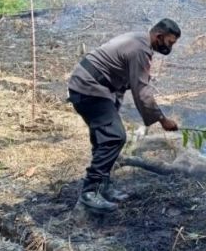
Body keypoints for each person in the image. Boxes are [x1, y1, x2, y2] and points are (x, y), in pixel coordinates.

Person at [67, 18, 181, 213]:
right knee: (115, 137)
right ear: (159, 36)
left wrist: (114, 107)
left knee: (104, 138)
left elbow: (121, 81)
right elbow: (141, 92)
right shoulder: (140, 50)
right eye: (169, 42)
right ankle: (90, 192)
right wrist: (162, 120)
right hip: (88, 88)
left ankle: (104, 187)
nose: (170, 48)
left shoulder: (138, 39)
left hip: (91, 86)